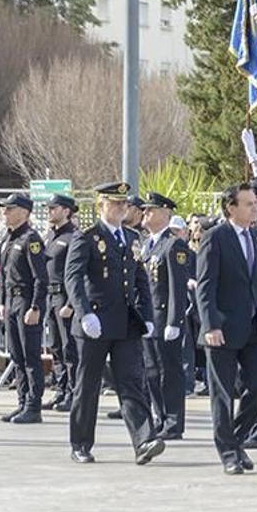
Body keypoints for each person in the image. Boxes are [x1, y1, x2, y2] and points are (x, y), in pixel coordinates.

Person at [196, 130, 257, 475]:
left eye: (255, 202)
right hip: (224, 327)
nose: (255, 207)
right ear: (231, 207)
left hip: (256, 327)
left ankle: (236, 440)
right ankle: (228, 453)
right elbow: (205, 285)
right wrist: (210, 324)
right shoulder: (215, 237)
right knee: (221, 395)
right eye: (248, 203)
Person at [63, 182, 163, 466]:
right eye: (115, 203)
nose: (121, 208)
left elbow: (141, 280)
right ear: (101, 206)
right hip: (94, 322)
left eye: (124, 204)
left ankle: (144, 440)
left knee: (132, 382)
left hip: (125, 323)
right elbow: (73, 278)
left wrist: (147, 316)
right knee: (88, 385)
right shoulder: (86, 237)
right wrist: (84, 314)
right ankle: (81, 443)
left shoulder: (131, 238)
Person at [0, 192, 49, 424]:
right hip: (12, 302)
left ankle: (34, 406)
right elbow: (3, 274)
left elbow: (40, 277)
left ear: (24, 212)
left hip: (26, 301)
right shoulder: (10, 238)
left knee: (30, 355)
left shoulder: (30, 239)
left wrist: (35, 306)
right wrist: (3, 302)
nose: (4, 212)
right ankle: (22, 401)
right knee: (16, 355)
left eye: (9, 209)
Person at [139, 193, 192, 441]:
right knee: (151, 371)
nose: (146, 213)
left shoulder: (173, 245)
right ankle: (160, 418)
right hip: (148, 320)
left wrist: (174, 321)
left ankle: (173, 421)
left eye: (151, 210)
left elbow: (177, 287)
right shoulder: (147, 244)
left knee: (169, 372)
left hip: (164, 318)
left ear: (165, 214)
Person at [41, 194, 82, 412]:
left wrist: (71, 303)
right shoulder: (50, 235)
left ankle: (74, 393)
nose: (49, 211)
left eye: (53, 208)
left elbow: (76, 273)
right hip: (50, 296)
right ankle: (61, 389)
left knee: (69, 348)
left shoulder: (74, 237)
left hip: (64, 297)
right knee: (55, 346)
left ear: (66, 211)